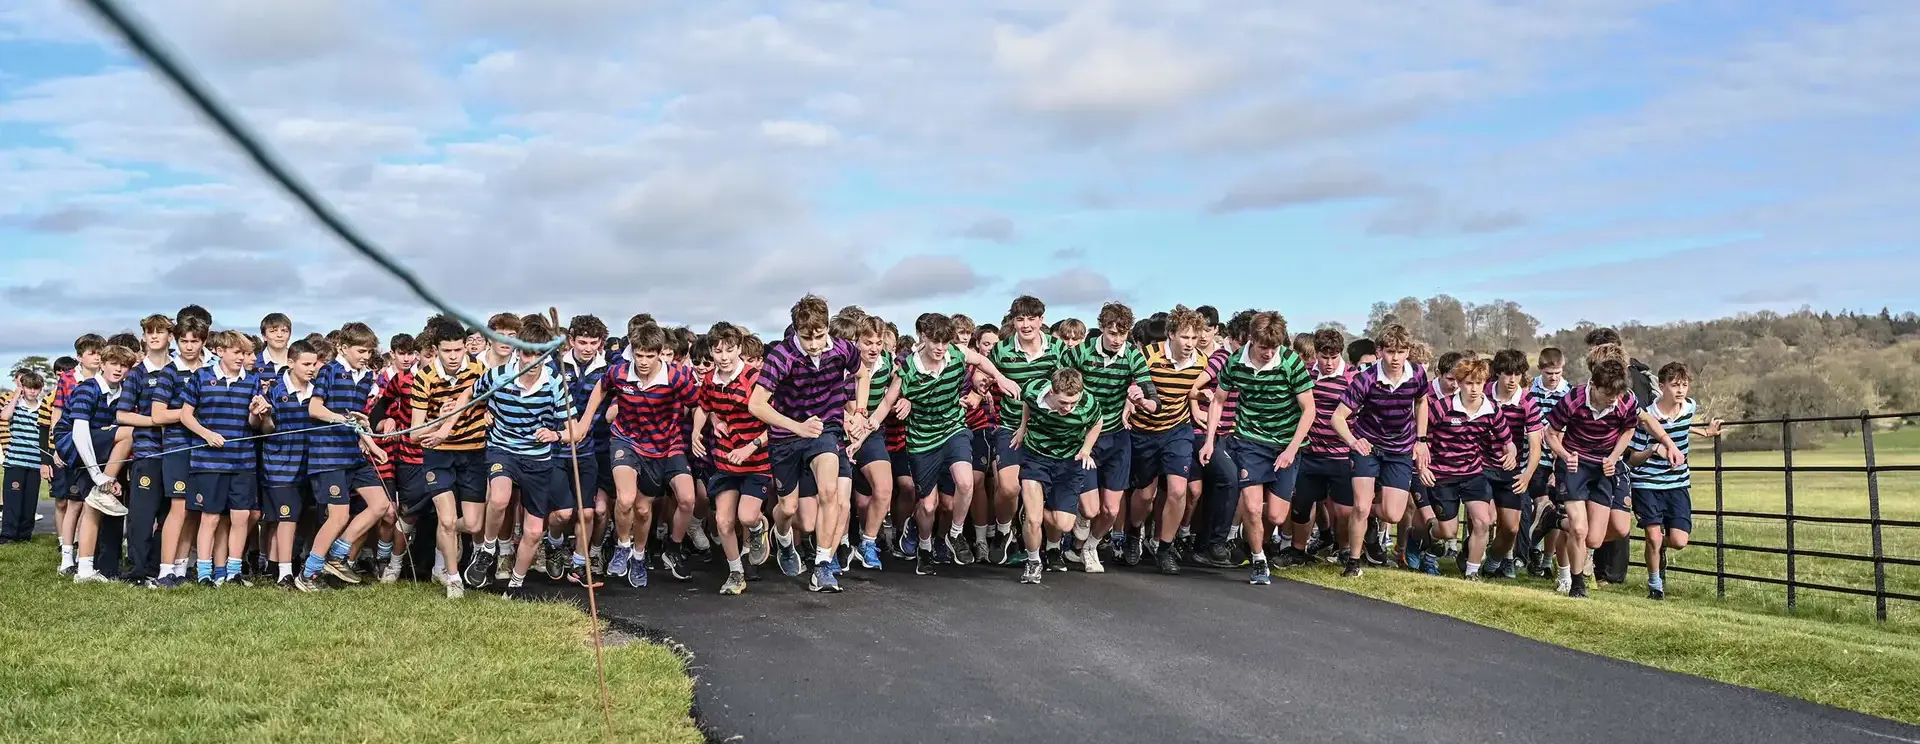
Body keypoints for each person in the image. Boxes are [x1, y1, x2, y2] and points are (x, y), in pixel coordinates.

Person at [1199, 311, 1315, 585]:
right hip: (1249, 440)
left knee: (1276, 514)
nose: (1268, 353)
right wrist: (1209, 440)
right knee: (1251, 508)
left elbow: (1309, 409)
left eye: (1274, 348)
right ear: (1251, 339)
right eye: (1263, 347)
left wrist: (1291, 449)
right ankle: (1258, 559)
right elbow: (1218, 400)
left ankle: (1251, 534)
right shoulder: (1235, 362)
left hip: (1286, 442)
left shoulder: (1290, 362)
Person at [1061, 302, 1155, 573]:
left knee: (1111, 510)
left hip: (1116, 436)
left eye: (1122, 334)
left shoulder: (1132, 356)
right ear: (1102, 328)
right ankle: (1081, 521)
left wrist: (1144, 401)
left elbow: (1151, 395)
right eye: (1112, 333)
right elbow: (1058, 383)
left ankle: (1090, 547)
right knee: (1091, 509)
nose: (1117, 339)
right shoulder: (1079, 353)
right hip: (1084, 436)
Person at [1330, 324, 1428, 578]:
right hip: (1369, 447)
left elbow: (1422, 401)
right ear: (1380, 351)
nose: (1395, 358)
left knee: (1393, 514)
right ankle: (1353, 562)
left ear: (1408, 352)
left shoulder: (1417, 374)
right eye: (1390, 352)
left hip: (1400, 449)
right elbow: (1337, 417)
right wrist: (1353, 441)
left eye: (1401, 352)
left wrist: (1421, 440)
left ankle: (1368, 517)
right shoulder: (1366, 379)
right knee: (1361, 506)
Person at [175, 330, 268, 588]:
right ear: (220, 351)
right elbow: (185, 415)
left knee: (241, 517)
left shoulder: (252, 381)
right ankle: (204, 572)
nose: (242, 358)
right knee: (211, 517)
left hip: (242, 460)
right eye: (237, 352)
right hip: (208, 461)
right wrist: (207, 434)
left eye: (245, 353)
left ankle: (232, 572)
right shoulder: (201, 376)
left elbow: (253, 424)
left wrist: (256, 413)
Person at [1628, 362, 1721, 600]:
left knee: (1679, 541)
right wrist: (1653, 449)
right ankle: (1655, 586)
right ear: (1662, 387)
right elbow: (1632, 459)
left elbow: (1682, 424)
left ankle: (1660, 547)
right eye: (1674, 385)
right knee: (1653, 536)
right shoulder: (1647, 418)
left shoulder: (1689, 407)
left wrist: (1706, 432)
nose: (1680, 390)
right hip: (1646, 483)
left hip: (1677, 483)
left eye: (1684, 385)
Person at [1412, 359, 1513, 580]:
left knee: (1483, 522)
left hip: (1472, 473)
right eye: (1469, 383)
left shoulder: (1491, 409)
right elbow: (1419, 440)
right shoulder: (1442, 407)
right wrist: (1423, 468)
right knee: (1448, 531)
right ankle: (1430, 536)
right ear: (1459, 383)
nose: (1474, 388)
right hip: (1442, 475)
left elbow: (1507, 440)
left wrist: (1511, 453)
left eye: (1479, 383)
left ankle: (1472, 572)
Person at [1013, 368, 1102, 585]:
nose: (1068, 408)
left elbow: (1097, 422)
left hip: (1069, 462)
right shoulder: (1033, 389)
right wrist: (1023, 428)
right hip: (1037, 457)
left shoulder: (1088, 403)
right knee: (1033, 520)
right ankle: (1033, 562)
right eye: (1063, 402)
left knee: (1064, 525)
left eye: (1073, 403)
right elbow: (1027, 403)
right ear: (1052, 392)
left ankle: (1031, 507)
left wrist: (1086, 449)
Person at [61, 343, 137, 583]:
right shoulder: (88, 389)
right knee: (130, 432)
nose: (118, 369)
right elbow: (79, 433)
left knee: (96, 506)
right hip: (75, 446)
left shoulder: (123, 393)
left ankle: (88, 569)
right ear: (102, 364)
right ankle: (104, 485)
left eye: (124, 365)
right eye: (113, 363)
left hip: (104, 450)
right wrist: (99, 476)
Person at [1484, 349, 1544, 579]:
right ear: (1498, 372)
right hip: (1480, 465)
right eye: (1507, 373)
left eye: (1517, 374)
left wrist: (1527, 475)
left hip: (1511, 470)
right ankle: (1472, 558)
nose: (1512, 380)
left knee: (1511, 527)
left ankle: (1496, 559)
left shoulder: (1527, 402)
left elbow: (1536, 445)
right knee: (1486, 518)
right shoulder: (1484, 394)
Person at [0, 372, 50, 544]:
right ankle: (8, 534)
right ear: (23, 388)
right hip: (15, 462)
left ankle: (24, 535)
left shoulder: (43, 408)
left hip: (35, 462)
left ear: (40, 389)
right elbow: (4, 416)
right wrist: (16, 395)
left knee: (30, 500)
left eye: (36, 388)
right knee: (13, 499)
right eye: (28, 388)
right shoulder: (15, 405)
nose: (32, 391)